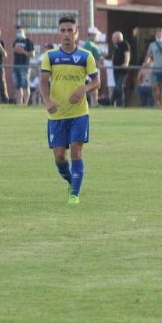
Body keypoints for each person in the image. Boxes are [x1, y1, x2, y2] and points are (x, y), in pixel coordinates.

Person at [39, 15, 100, 205]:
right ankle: (71, 180)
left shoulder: (85, 56)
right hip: (56, 114)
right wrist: (47, 101)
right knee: (59, 157)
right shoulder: (50, 56)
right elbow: (43, 82)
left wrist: (84, 88)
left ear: (76, 33)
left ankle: (74, 194)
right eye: (63, 31)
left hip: (79, 114)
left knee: (76, 150)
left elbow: (97, 82)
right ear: (59, 33)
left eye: (70, 31)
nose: (66, 34)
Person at [143, 29, 162, 108]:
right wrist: (146, 62)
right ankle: (157, 103)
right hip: (155, 69)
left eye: (160, 34)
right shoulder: (152, 44)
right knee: (154, 87)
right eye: (157, 34)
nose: (159, 36)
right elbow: (148, 55)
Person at [12, 26, 35, 105]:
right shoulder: (15, 41)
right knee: (17, 86)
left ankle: (25, 104)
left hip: (25, 66)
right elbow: (13, 50)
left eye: (20, 32)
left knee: (25, 85)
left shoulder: (29, 42)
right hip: (16, 65)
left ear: (24, 32)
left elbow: (32, 54)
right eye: (17, 32)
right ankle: (19, 104)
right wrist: (15, 50)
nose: (18, 33)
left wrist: (23, 51)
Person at [83, 27, 103, 106]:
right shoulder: (88, 44)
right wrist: (98, 64)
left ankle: (95, 102)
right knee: (93, 84)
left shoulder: (93, 44)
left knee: (96, 84)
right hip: (92, 68)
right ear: (91, 35)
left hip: (95, 68)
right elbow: (89, 56)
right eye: (95, 35)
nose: (97, 36)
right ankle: (93, 102)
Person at [110, 31, 130, 107]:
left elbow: (127, 54)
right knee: (119, 87)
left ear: (118, 38)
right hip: (116, 69)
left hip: (123, 70)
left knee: (119, 85)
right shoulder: (115, 45)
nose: (112, 39)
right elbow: (114, 54)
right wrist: (112, 62)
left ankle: (111, 100)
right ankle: (120, 104)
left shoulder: (124, 44)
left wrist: (126, 63)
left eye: (113, 38)